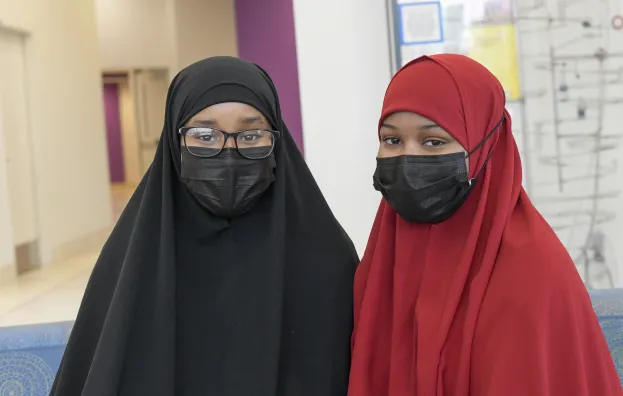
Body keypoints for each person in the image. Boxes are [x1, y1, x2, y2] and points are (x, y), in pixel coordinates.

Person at [51, 56, 358, 395]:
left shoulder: (326, 259)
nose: (229, 150)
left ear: (277, 141)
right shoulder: (130, 266)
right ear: (173, 141)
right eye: (204, 135)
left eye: (251, 134)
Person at [348, 54, 622, 395]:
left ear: (485, 148)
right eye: (392, 140)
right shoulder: (379, 265)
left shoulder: (534, 273)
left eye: (434, 141)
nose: (408, 157)